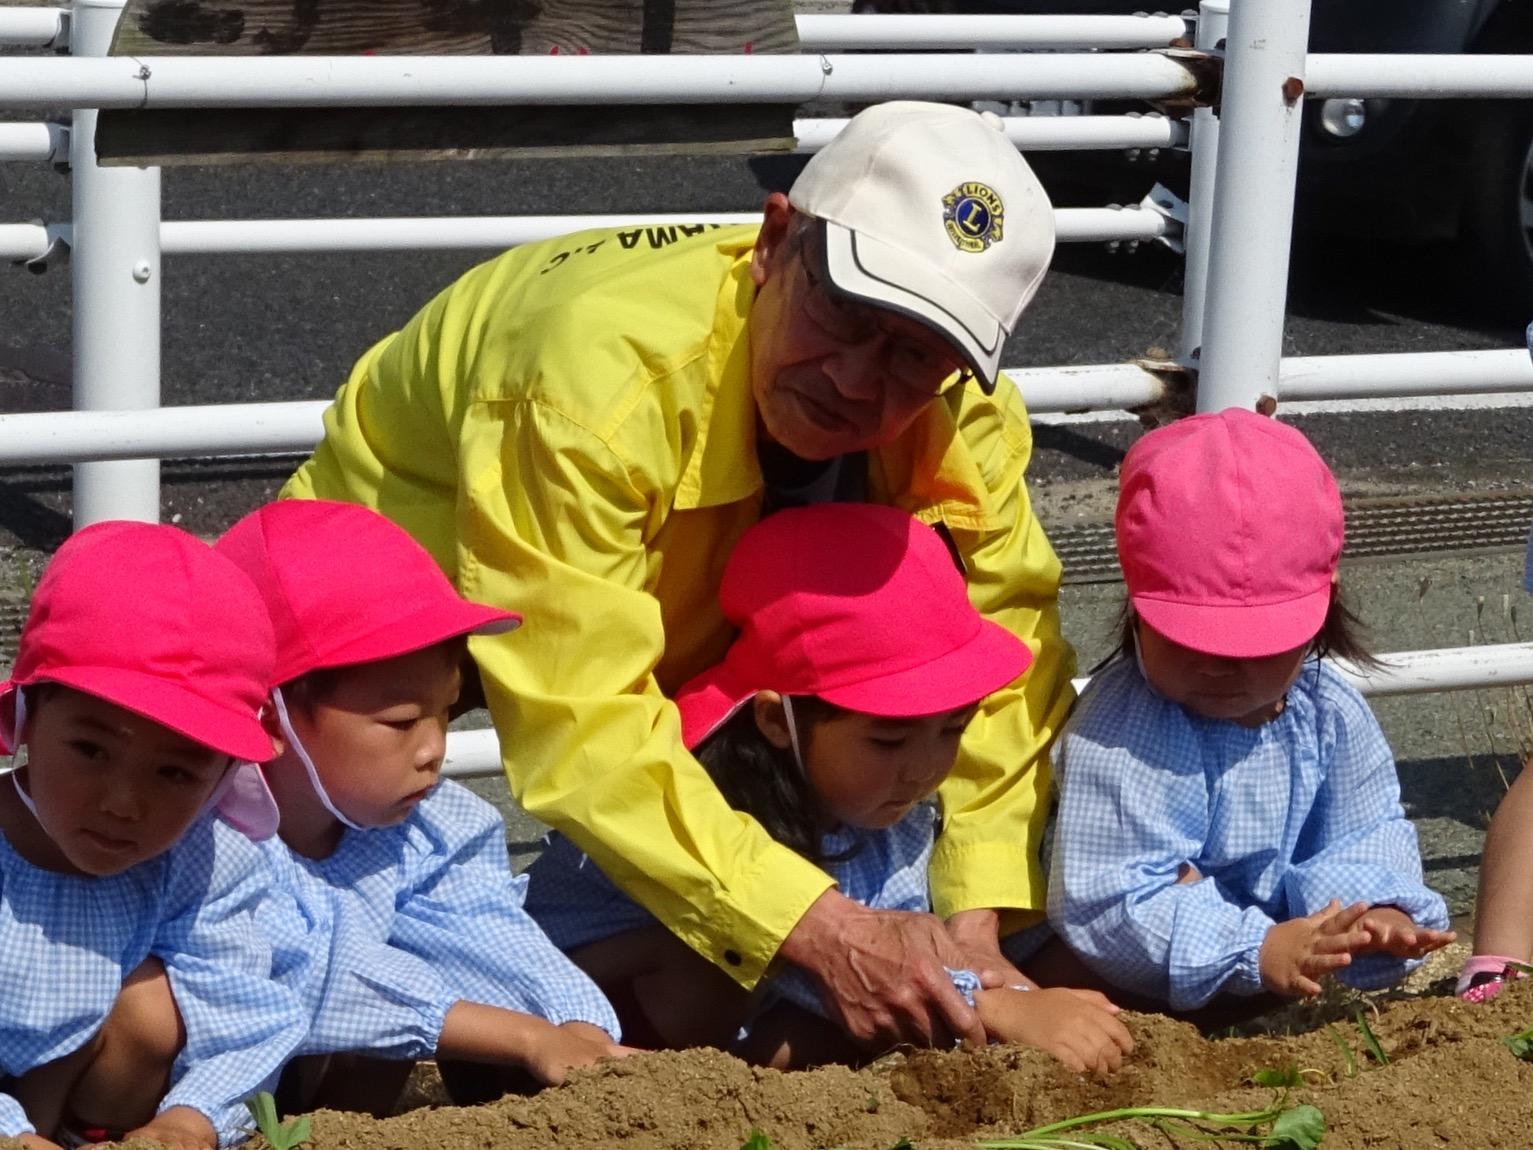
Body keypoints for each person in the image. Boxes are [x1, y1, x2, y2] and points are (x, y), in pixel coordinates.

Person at [281, 99, 1075, 1050]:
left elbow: (1003, 641)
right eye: (846, 316)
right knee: (319, 875)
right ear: (776, 239)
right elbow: (583, 720)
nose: (861, 382)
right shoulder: (596, 379)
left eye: (917, 358)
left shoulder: (966, 413)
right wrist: (824, 931)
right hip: (394, 574)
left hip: (671, 571)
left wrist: (975, 915)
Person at [525, 503, 1133, 1074]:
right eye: (888, 742)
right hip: (571, 1013)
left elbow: (897, 935)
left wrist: (1020, 992)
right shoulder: (715, 804)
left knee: (839, 1026)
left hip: (734, 1006)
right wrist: (1001, 1011)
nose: (923, 768)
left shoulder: (868, 805)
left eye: (953, 729)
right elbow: (792, 955)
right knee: (716, 969)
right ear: (774, 721)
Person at [214, 500, 629, 1117]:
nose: (434, 748)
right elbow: (310, 974)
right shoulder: (207, 837)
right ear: (269, 714)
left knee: (400, 1003)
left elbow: (482, 925)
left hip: (297, 1090)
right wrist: (525, 1037)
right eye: (401, 721)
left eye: (447, 710)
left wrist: (576, 1023)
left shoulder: (427, 824)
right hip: (186, 1096)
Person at [1044, 408, 1454, 1015]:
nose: (1221, 666)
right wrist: (1254, 945)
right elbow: (1111, 899)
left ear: (1323, 614)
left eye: (1258, 645)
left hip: (1265, 956)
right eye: (1188, 640)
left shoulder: (1327, 712)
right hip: (1125, 973)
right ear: (1135, 606)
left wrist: (1371, 913)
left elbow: (1361, 832)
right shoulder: (1125, 729)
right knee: (1068, 971)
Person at [0, 522, 306, 1150]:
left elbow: (241, 1013)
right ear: (29, 713)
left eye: (174, 772)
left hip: (90, 1105)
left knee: (152, 1007)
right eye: (90, 749)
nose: (123, 803)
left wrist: (189, 1119)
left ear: (223, 775)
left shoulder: (209, 861)